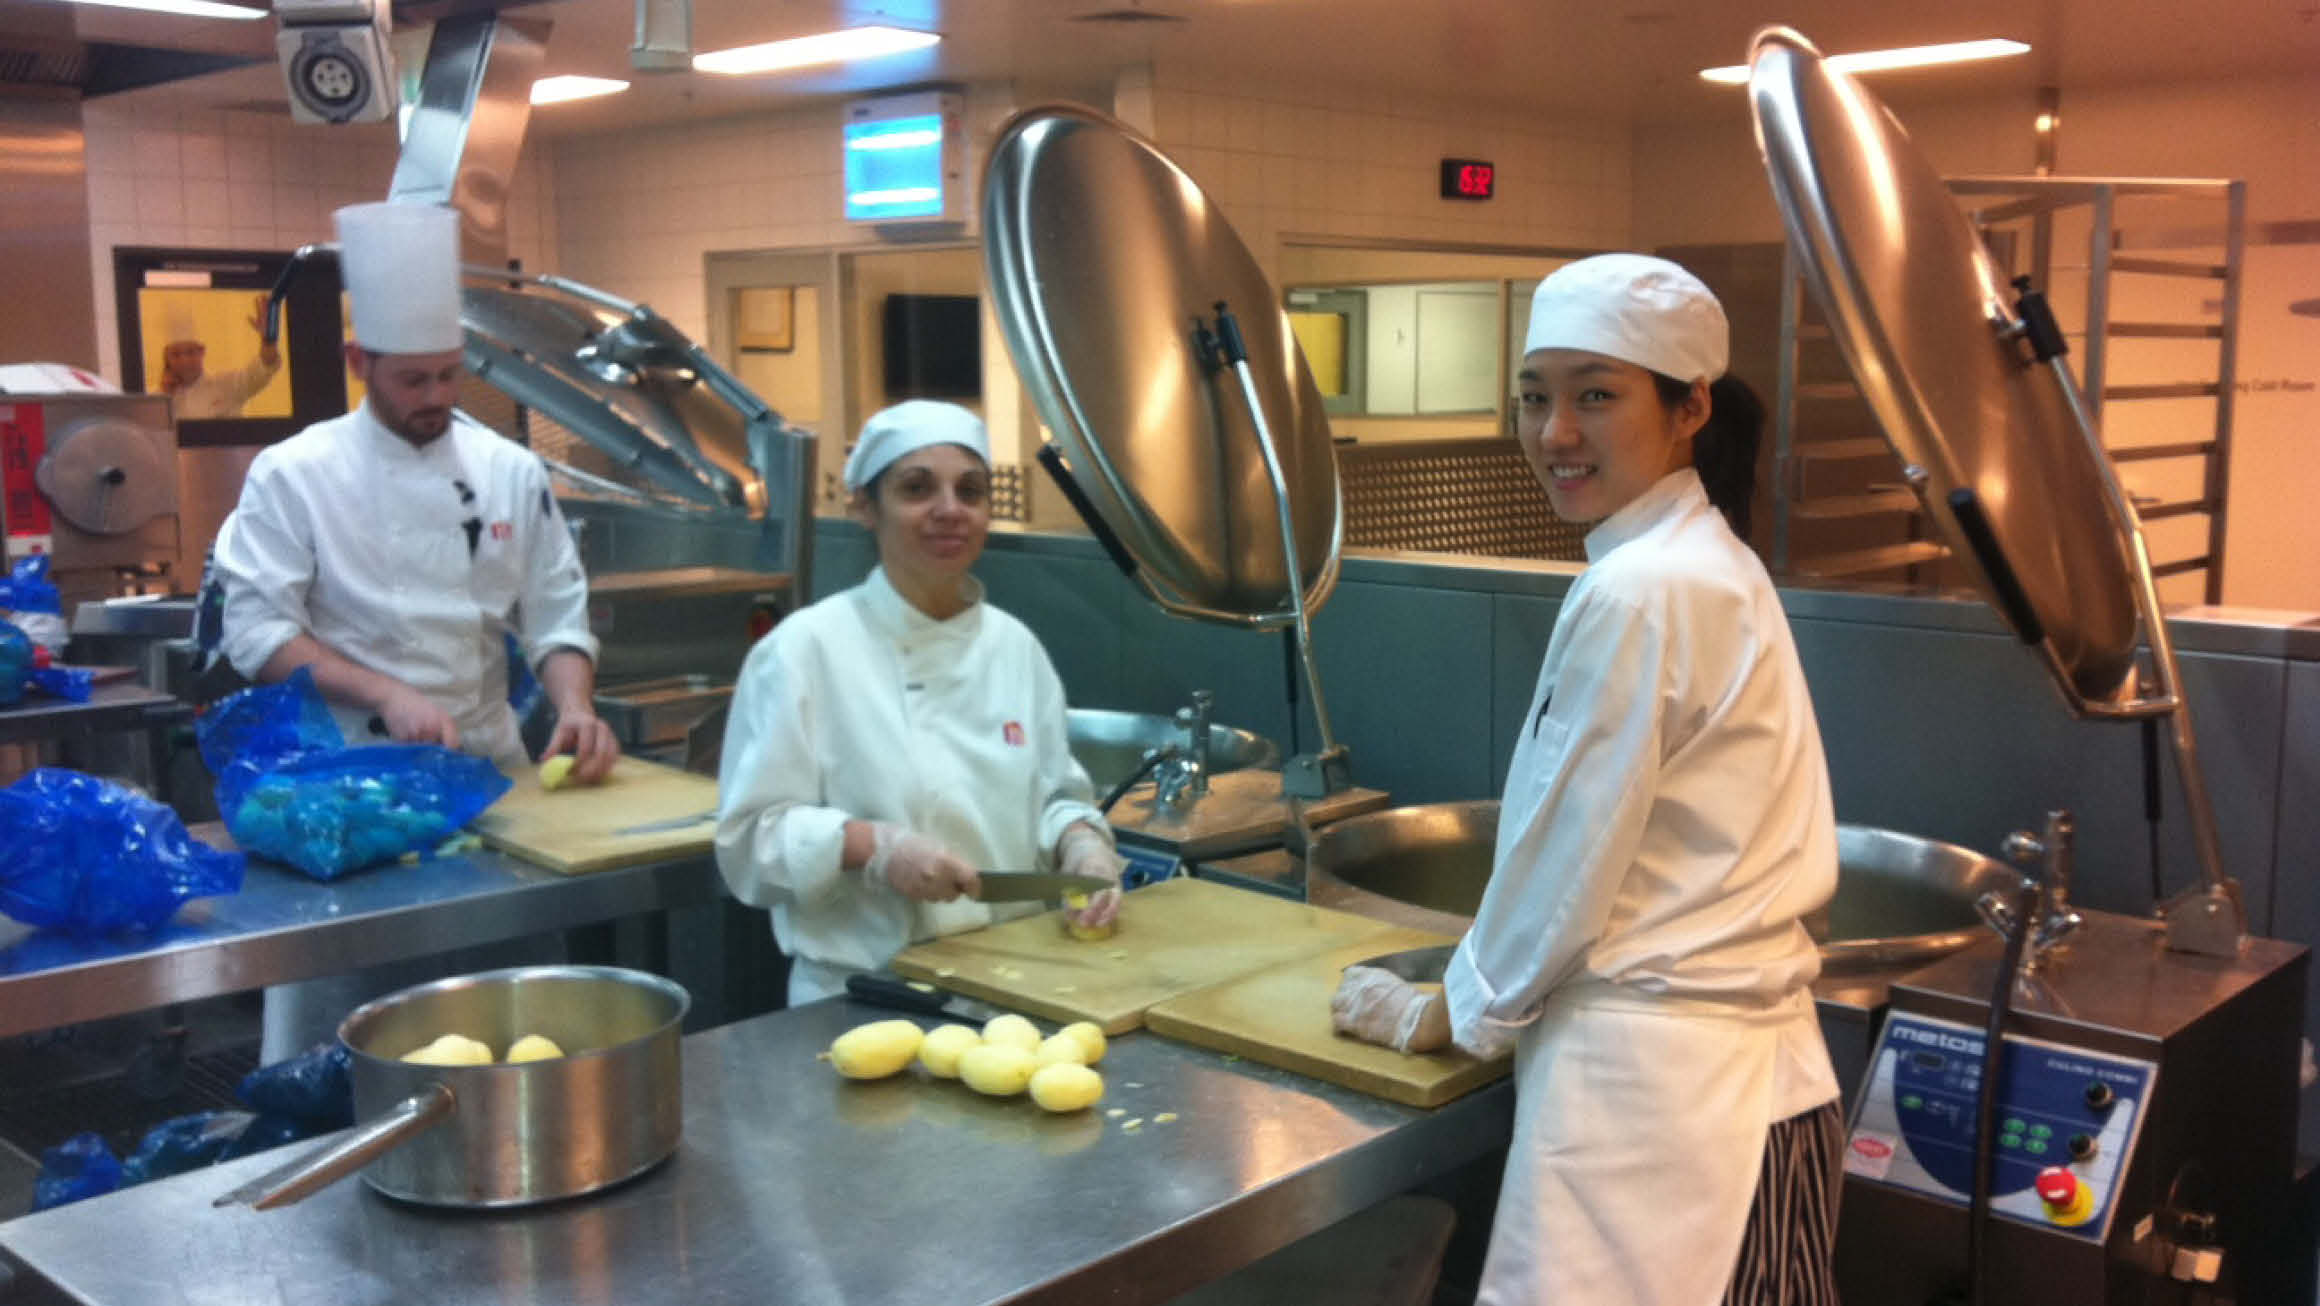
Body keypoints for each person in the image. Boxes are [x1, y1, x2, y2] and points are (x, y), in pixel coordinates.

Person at [1331, 254, 1843, 1305]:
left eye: (1595, 396)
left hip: (1664, 1115)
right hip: (1739, 1095)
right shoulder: (1702, 559)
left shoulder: (1645, 587)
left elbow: (1567, 857)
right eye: (1533, 397)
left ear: (1689, 405)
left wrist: (1444, 1011)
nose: (1554, 432)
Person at [211, 200, 620, 1058]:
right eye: (414, 381)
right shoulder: (296, 475)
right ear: (360, 361)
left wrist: (574, 703)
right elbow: (255, 631)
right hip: (344, 807)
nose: (438, 399)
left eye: (450, 375)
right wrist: (384, 690)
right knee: (346, 1049)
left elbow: (554, 608)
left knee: (513, 1039)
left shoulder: (509, 471)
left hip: (491, 788)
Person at [715, 400, 1123, 1005]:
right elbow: (749, 843)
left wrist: (1083, 843)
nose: (950, 511)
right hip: (862, 998)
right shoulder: (804, 651)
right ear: (864, 506)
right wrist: (874, 849)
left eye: (971, 490)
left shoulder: (1016, 647)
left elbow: (1055, 795)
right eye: (916, 488)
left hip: (1017, 983)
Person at [156, 296, 282, 419]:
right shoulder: (156, 398)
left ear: (202, 351)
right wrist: (164, 397)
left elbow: (264, 367)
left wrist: (268, 340)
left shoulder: (227, 384)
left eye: (190, 352)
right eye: (176, 354)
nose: (184, 361)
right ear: (166, 357)